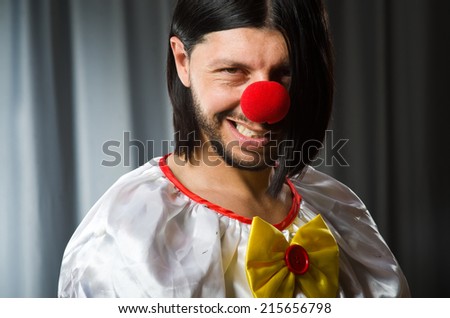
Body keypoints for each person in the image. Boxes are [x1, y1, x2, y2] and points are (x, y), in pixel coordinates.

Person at [58, 0, 410, 297]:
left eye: (286, 73)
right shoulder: (128, 236)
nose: (264, 105)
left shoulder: (339, 207)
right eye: (232, 71)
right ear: (184, 62)